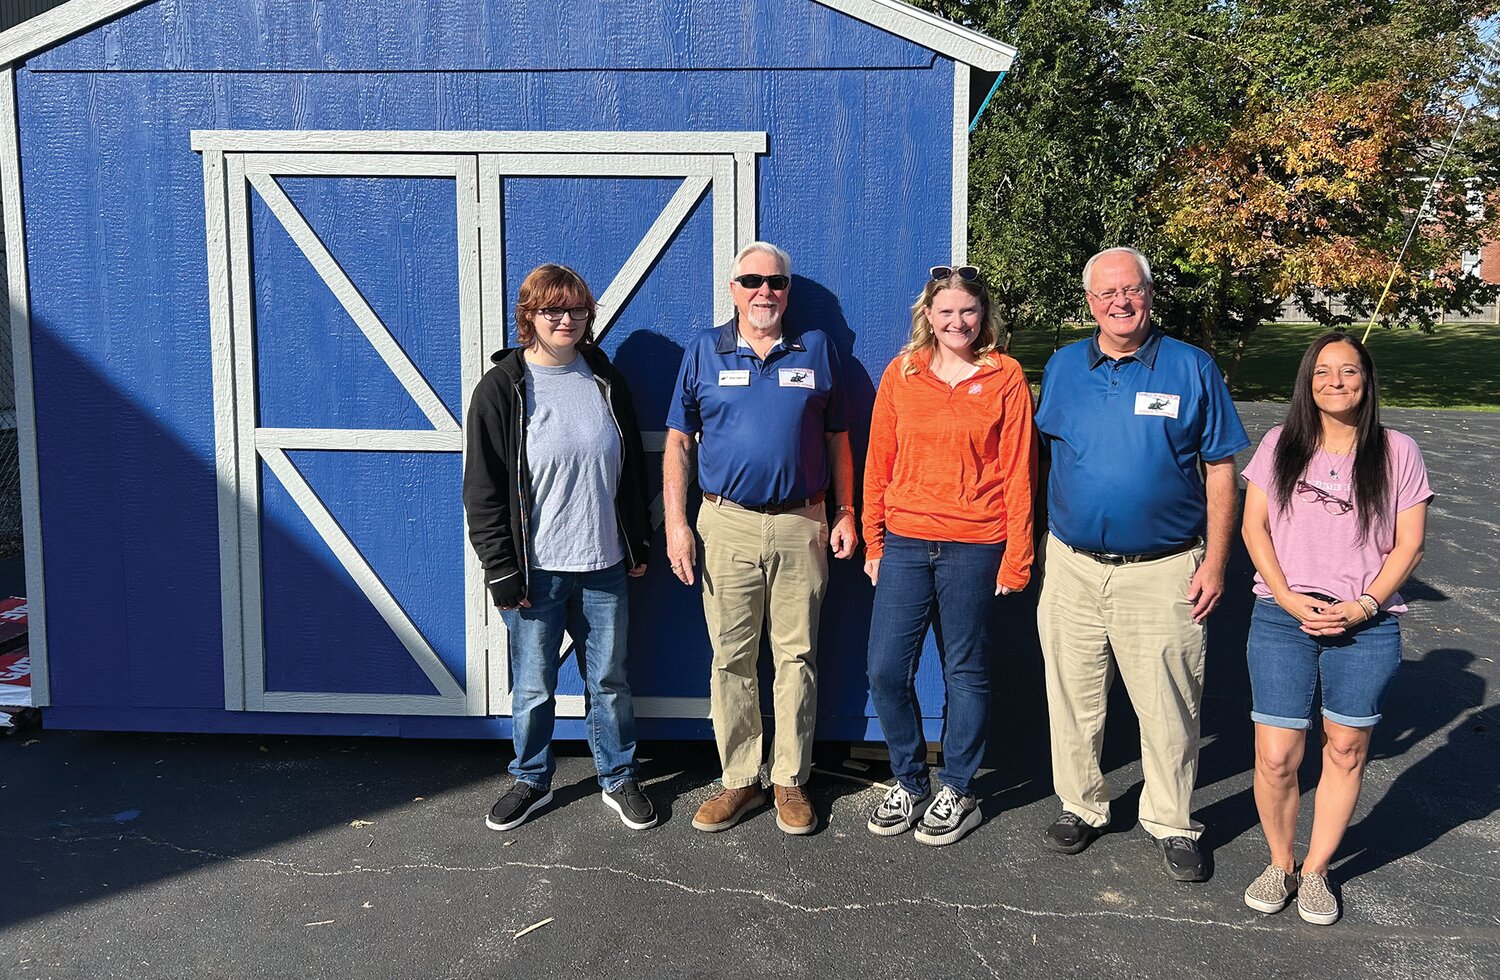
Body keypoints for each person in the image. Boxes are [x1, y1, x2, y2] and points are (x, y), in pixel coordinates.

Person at [1032, 246, 1250, 881]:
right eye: (1106, 294)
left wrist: (1216, 561)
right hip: (1072, 564)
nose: (1120, 303)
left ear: (1150, 295)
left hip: (1164, 568)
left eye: (1131, 290)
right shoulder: (1067, 366)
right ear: (1090, 302)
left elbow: (1220, 470)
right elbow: (1047, 454)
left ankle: (1172, 820)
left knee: (1169, 703)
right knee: (1072, 697)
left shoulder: (1191, 367)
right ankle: (1082, 805)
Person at [663, 241, 858, 835]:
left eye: (775, 282)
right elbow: (678, 443)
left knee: (797, 654)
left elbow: (839, 440)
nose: (764, 292)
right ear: (733, 289)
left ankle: (790, 779)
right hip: (724, 523)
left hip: (803, 522)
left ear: (788, 291)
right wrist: (676, 524)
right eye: (751, 281)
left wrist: (846, 511)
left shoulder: (818, 350)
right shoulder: (704, 349)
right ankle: (740, 779)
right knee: (732, 657)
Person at [1239, 332, 1431, 925]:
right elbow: (1254, 530)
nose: (1336, 381)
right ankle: (1280, 861)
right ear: (1308, 381)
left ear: (1367, 381)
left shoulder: (1398, 451)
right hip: (1282, 615)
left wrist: (1366, 605)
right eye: (1323, 371)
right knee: (1276, 756)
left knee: (1344, 749)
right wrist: (1290, 599)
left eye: (1349, 371)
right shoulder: (1280, 443)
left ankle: (1318, 870)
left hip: (1364, 623)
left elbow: (1410, 545)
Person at [463, 263, 656, 832]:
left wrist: (637, 540)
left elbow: (629, 474)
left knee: (610, 681)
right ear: (529, 317)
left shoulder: (603, 377)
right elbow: (484, 490)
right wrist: (501, 570)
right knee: (533, 685)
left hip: (605, 564)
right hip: (535, 570)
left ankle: (618, 777)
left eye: (575, 309)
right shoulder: (503, 389)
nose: (565, 319)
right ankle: (530, 778)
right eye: (552, 310)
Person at [861, 265, 1038, 846]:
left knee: (965, 670)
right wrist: (874, 538)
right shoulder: (903, 372)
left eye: (967, 311)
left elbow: (1018, 470)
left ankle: (958, 788)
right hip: (907, 540)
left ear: (982, 316)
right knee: (887, 669)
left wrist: (1018, 553)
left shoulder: (1005, 375)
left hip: (975, 543)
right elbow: (878, 460)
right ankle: (910, 780)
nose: (957, 321)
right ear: (928, 317)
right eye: (946, 312)